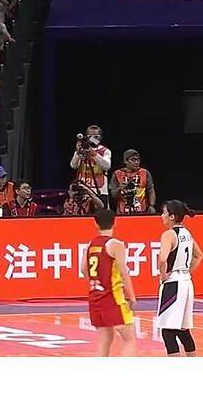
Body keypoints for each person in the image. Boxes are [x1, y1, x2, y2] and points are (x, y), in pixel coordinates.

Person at [84, 209, 138, 357]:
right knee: (129, 339)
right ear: (114, 223)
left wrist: (98, 283)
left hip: (95, 298)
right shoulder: (115, 244)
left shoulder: (91, 244)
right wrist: (132, 296)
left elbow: (84, 269)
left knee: (105, 340)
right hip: (113, 298)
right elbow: (123, 272)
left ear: (96, 224)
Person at [157, 200, 203, 357]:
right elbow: (199, 255)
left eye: (164, 213)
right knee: (183, 330)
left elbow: (162, 259)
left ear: (172, 216)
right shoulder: (187, 233)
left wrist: (163, 276)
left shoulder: (169, 234)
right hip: (186, 282)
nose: (161, 216)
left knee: (168, 331)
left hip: (174, 283)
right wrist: (187, 271)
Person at [110, 149, 156, 214]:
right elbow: (113, 195)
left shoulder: (145, 173)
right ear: (126, 161)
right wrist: (120, 189)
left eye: (138, 160)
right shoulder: (117, 174)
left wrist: (151, 205)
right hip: (122, 212)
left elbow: (151, 190)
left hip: (142, 211)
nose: (136, 162)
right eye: (133, 160)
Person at [71, 125, 111, 199]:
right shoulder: (81, 149)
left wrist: (93, 154)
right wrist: (78, 152)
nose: (93, 139)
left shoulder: (105, 151)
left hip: (100, 190)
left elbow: (106, 166)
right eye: (90, 136)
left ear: (101, 137)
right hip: (83, 190)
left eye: (96, 137)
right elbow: (73, 166)